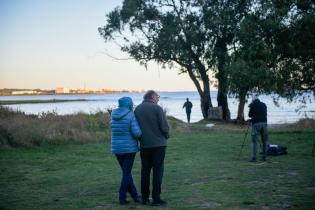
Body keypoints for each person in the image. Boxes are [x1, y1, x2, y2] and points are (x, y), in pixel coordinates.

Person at [134, 90, 170, 206]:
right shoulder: (157, 108)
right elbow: (164, 126)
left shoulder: (137, 109)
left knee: (145, 171)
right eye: (157, 96)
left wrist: (140, 139)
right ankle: (156, 199)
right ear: (152, 96)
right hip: (159, 145)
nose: (158, 98)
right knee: (158, 171)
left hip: (144, 145)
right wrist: (166, 136)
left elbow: (135, 128)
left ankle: (144, 198)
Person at [110, 97, 142, 205]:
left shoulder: (113, 115)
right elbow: (137, 133)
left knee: (126, 172)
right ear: (129, 104)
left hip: (117, 149)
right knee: (127, 173)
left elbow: (112, 128)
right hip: (129, 149)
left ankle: (135, 195)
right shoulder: (130, 115)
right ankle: (122, 197)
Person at [248, 95, 268, 162]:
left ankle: (254, 157)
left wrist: (251, 106)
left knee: (254, 141)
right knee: (264, 141)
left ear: (253, 100)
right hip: (264, 123)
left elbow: (250, 115)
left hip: (256, 124)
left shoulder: (253, 104)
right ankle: (264, 157)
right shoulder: (264, 104)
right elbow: (265, 113)